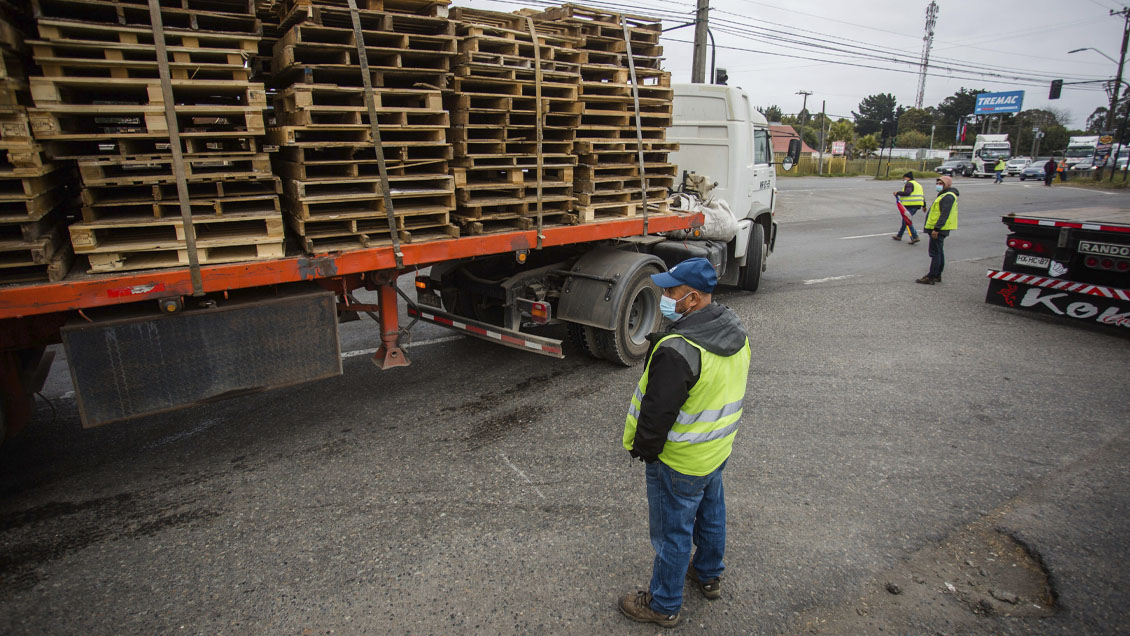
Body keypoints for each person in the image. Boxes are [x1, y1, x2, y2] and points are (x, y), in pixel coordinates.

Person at [618, 257, 751, 628]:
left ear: (692, 299)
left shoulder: (678, 349)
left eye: (671, 292)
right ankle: (708, 574)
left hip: (678, 461)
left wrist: (643, 451)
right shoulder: (734, 331)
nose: (664, 296)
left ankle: (663, 604)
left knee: (672, 535)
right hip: (715, 451)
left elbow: (656, 414)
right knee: (711, 514)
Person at [916, 176, 958, 285]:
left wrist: (936, 229)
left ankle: (932, 276)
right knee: (939, 251)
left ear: (947, 184)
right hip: (937, 228)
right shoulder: (944, 195)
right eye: (938, 183)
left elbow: (944, 214)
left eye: (941, 183)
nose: (938, 185)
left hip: (938, 229)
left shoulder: (948, 196)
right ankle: (937, 274)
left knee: (935, 253)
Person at [891, 171, 922, 244]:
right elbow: (921, 196)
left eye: (904, 178)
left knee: (907, 221)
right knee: (905, 221)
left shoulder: (909, 184)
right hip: (917, 205)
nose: (903, 180)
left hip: (911, 205)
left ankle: (915, 236)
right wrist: (924, 205)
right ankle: (899, 235)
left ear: (908, 178)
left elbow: (907, 192)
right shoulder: (918, 184)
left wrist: (897, 193)